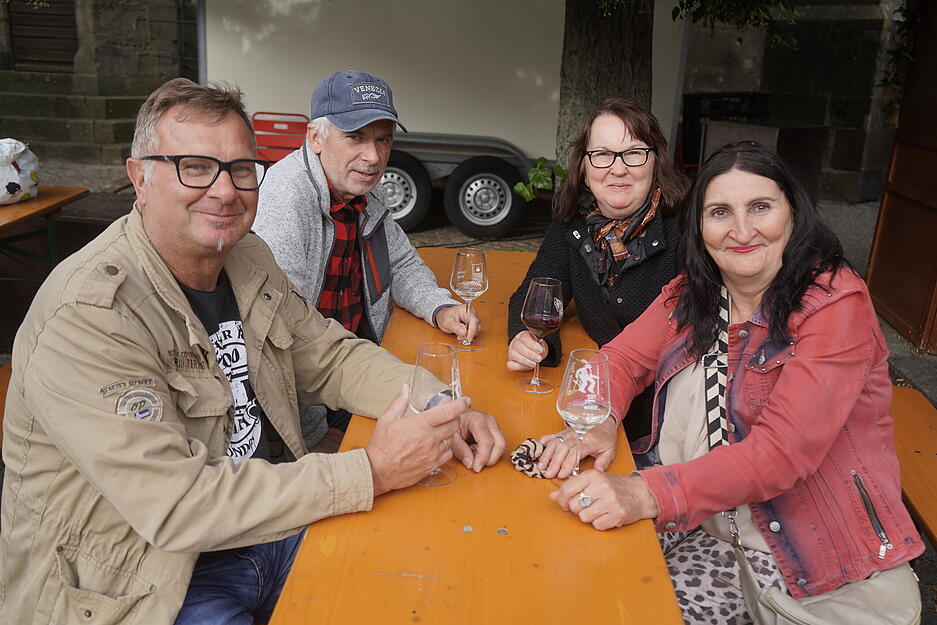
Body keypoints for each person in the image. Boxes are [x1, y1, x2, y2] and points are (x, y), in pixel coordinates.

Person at [0, 78, 505, 625]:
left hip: (266, 522)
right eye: (194, 166)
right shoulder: (91, 314)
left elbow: (330, 355)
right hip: (147, 579)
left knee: (433, 582)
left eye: (241, 169)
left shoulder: (244, 256)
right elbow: (177, 506)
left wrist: (443, 404)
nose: (224, 191)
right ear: (139, 178)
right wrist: (373, 471)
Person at [541, 142, 923, 623]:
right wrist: (599, 419)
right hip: (708, 522)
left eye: (760, 207)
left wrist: (647, 494)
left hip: (805, 551)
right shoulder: (695, 291)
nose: (742, 230)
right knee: (570, 579)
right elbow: (620, 360)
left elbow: (783, 452)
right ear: (699, 228)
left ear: (793, 213)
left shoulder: (834, 302)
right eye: (720, 212)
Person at [255, 70, 478, 452]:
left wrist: (439, 307)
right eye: (355, 137)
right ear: (315, 138)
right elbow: (283, 340)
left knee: (457, 416)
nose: (373, 157)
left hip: (361, 362)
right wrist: (320, 439)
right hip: (316, 400)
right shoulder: (285, 200)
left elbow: (403, 264)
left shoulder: (362, 192)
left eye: (383, 139)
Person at [506, 97, 689, 452]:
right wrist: (526, 339)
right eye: (602, 155)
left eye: (634, 153)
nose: (617, 169)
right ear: (584, 168)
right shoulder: (573, 223)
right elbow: (535, 292)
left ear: (655, 162)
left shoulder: (684, 232)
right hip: (592, 404)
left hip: (663, 422)